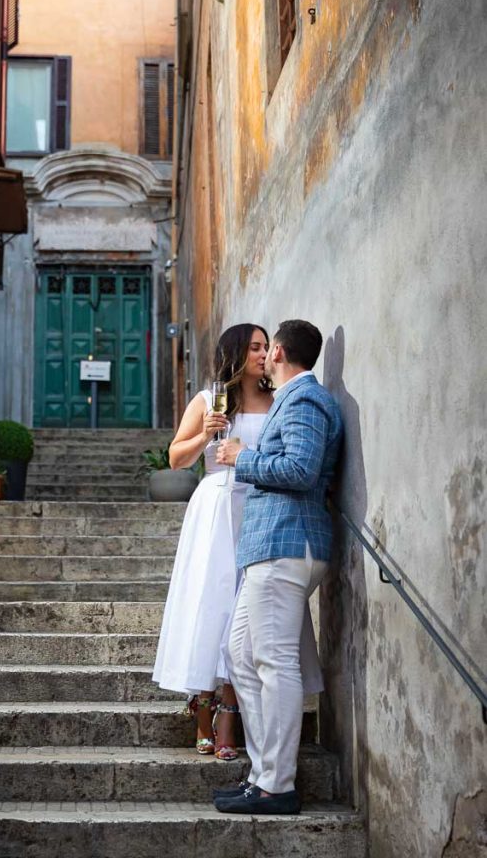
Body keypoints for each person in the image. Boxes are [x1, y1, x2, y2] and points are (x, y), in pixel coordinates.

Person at [153, 324, 323, 759]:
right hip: (215, 506)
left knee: (242, 611)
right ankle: (204, 711)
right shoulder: (209, 399)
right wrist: (207, 433)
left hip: (261, 508)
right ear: (235, 351)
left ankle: (231, 715)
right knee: (213, 604)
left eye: (267, 347)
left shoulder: (276, 399)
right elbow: (176, 458)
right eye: (254, 347)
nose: (263, 354)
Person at [213, 319, 343, 815]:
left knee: (273, 661)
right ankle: (262, 774)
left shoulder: (304, 398)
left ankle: (278, 785)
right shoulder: (296, 399)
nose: (263, 356)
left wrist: (242, 458)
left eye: (270, 349)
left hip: (288, 544)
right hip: (268, 548)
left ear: (281, 352)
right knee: (240, 655)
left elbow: (299, 470)